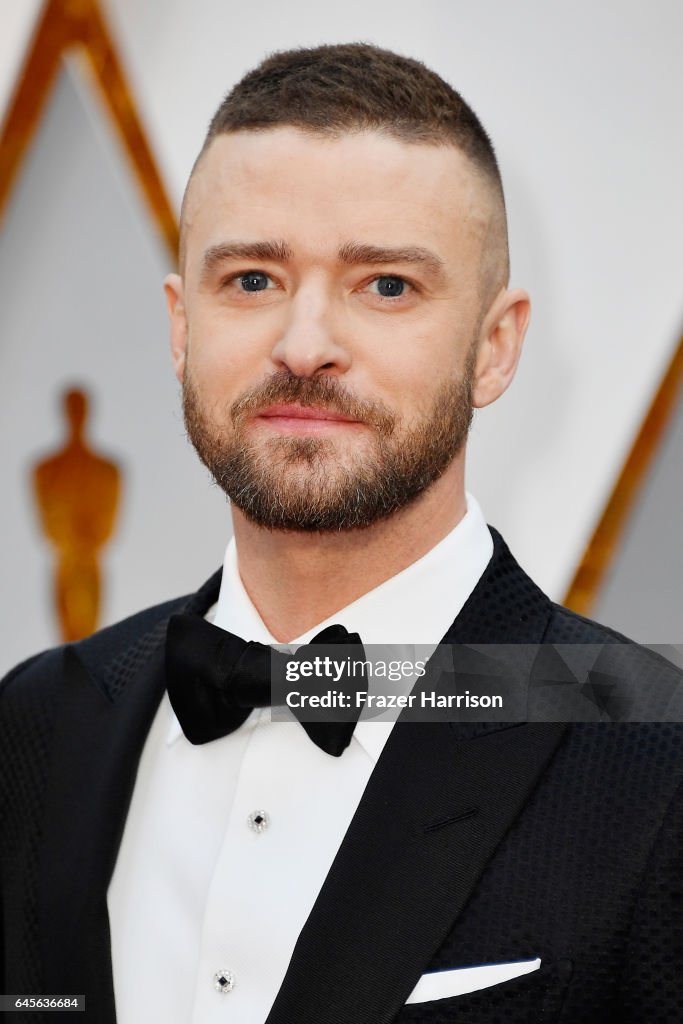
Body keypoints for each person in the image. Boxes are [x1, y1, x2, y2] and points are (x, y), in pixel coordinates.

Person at [1, 43, 681, 1024]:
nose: (304, 344)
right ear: (179, 325)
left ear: (493, 348)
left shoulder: (652, 753)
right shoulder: (37, 725)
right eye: (249, 280)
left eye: (386, 286)